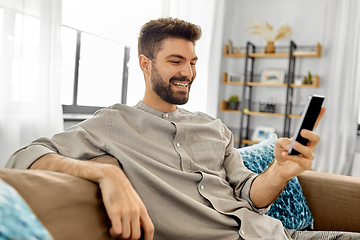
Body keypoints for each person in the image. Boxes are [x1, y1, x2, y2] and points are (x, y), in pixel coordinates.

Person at [5, 17, 357, 240]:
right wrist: (105, 174)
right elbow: (24, 156)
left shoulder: (213, 127)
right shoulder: (114, 122)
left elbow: (250, 194)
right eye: (175, 61)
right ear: (145, 64)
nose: (187, 72)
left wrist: (281, 171)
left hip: (279, 234)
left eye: (192, 62)